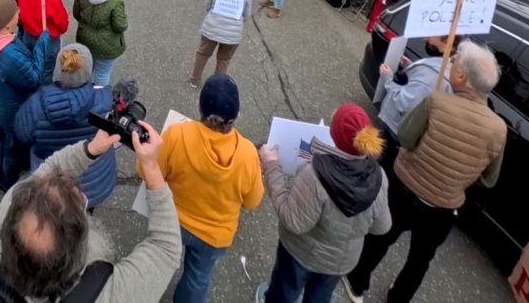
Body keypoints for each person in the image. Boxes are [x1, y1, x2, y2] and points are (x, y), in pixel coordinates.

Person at [344, 40, 507, 303]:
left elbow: (406, 137)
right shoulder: (499, 128)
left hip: (405, 189)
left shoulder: (436, 101)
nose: (450, 63)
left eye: (455, 63)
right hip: (444, 207)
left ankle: (357, 283)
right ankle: (399, 298)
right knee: (420, 260)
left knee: (382, 236)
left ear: (462, 77)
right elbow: (489, 179)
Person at [0, 123, 180, 302]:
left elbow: (52, 167)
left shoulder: (10, 206)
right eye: (77, 202)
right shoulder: (111, 295)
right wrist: (151, 167)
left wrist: (91, 149)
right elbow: (166, 247)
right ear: (78, 257)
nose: (75, 188)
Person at [144, 74, 263, 302]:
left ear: (199, 105)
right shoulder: (248, 153)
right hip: (214, 236)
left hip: (173, 219)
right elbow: (253, 201)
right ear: (236, 115)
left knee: (160, 261)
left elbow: (147, 170)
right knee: (198, 277)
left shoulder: (177, 134)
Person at [257, 104, 391, 303]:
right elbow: (382, 226)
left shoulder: (314, 175)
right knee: (319, 298)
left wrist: (271, 167)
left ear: (335, 136)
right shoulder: (379, 177)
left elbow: (293, 221)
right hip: (340, 262)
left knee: (284, 292)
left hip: (300, 255)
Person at [13, 44, 116, 208]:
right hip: (95, 179)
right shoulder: (105, 100)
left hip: (53, 182)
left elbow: (21, 133)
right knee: (86, 210)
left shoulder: (36, 104)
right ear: (89, 71)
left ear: (58, 71)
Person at [0, 0, 50, 191]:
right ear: (7, 23)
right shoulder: (8, 56)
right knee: (13, 149)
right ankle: (7, 184)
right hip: (13, 111)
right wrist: (43, 42)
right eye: (15, 12)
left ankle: (3, 173)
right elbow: (33, 78)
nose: (19, 13)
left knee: (2, 139)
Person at [188, 0, 253, 87]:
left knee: (203, 53)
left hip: (211, 27)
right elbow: (246, 14)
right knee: (224, 59)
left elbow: (207, 5)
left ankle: (194, 80)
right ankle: (216, 85)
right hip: (233, 34)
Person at [73, 0, 128, 87]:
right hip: (106, 45)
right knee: (102, 74)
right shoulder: (115, 1)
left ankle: (84, 95)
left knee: (86, 69)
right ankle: (98, 102)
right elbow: (120, 25)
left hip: (84, 38)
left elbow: (76, 14)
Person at [17, 0, 69, 81]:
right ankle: (44, 93)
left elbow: (20, 16)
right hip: (49, 42)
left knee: (31, 66)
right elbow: (63, 26)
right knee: (47, 71)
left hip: (28, 36)